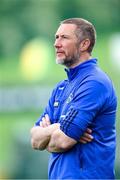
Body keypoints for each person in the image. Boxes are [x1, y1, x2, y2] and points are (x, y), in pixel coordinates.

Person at [30, 18, 117, 179]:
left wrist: (53, 134)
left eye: (64, 37)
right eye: (56, 37)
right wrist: (58, 127)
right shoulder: (61, 87)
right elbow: (35, 139)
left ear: (84, 44)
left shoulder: (94, 82)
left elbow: (63, 141)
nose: (56, 43)